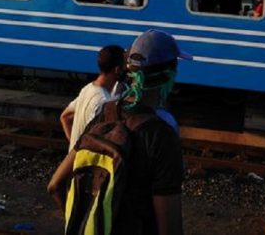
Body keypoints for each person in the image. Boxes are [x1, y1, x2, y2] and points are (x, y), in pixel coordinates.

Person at [50, 29, 191, 235]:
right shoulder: (161, 136)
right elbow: (170, 230)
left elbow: (55, 185)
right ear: (168, 75)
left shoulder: (104, 114)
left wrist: (80, 223)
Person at [60, 44, 125, 150]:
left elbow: (65, 117)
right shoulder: (105, 102)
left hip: (77, 161)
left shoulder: (87, 89)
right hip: (87, 164)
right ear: (118, 69)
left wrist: (74, 146)